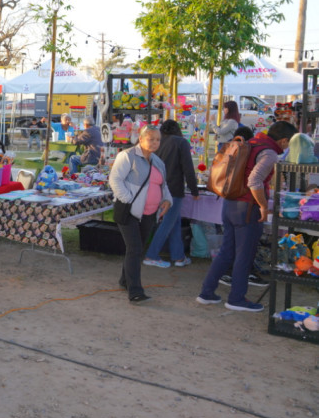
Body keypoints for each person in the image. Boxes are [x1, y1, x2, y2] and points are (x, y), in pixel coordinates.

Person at [197, 121, 296, 311]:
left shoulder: (252, 142)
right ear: (284, 140)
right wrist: (263, 205)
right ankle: (236, 299)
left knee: (227, 251)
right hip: (247, 207)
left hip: (230, 203)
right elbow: (254, 180)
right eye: (289, 143)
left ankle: (206, 292)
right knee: (245, 255)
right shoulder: (269, 153)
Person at [109, 126, 172, 304]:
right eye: (151, 139)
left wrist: (167, 199)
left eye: (158, 139)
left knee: (136, 249)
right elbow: (115, 179)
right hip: (129, 211)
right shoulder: (128, 156)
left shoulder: (158, 161)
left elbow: (163, 185)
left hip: (150, 213)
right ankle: (135, 290)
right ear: (141, 139)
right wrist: (128, 199)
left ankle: (124, 279)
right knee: (135, 249)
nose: (155, 143)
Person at [143, 119, 199, 268]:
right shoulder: (180, 142)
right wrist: (194, 190)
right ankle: (151, 255)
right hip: (173, 189)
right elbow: (188, 168)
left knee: (174, 223)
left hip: (157, 187)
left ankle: (179, 256)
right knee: (167, 223)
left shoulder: (159, 143)